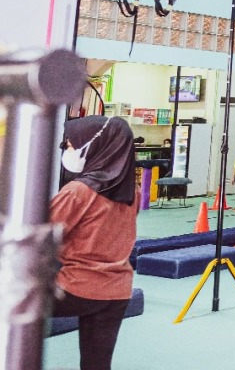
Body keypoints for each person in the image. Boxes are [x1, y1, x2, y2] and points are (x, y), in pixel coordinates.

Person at [50, 116, 138, 370]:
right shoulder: (131, 193)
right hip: (117, 290)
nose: (66, 151)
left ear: (91, 147)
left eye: (69, 146)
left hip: (75, 288)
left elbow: (39, 236)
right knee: (96, 365)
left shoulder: (78, 191)